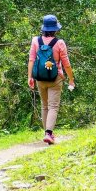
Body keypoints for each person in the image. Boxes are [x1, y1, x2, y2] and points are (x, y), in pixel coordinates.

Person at [27, 14, 75, 145]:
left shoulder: (35, 41)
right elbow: (66, 64)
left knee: (45, 105)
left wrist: (29, 77)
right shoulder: (59, 43)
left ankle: (47, 133)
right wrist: (71, 79)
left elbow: (31, 59)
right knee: (53, 106)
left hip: (40, 79)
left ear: (43, 28)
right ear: (55, 29)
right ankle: (49, 133)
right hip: (56, 78)